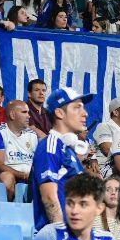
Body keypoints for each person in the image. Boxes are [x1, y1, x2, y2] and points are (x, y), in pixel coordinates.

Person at [31, 86, 94, 230]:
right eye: (77, 108)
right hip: (60, 238)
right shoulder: (50, 146)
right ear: (59, 113)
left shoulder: (67, 149)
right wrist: (60, 237)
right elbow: (49, 197)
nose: (85, 114)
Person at [0, 100, 37, 201]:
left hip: (29, 175)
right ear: (12, 115)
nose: (29, 116)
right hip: (7, 173)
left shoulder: (32, 135)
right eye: (24, 112)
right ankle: (7, 212)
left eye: (28, 112)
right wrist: (21, 175)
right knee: (6, 178)